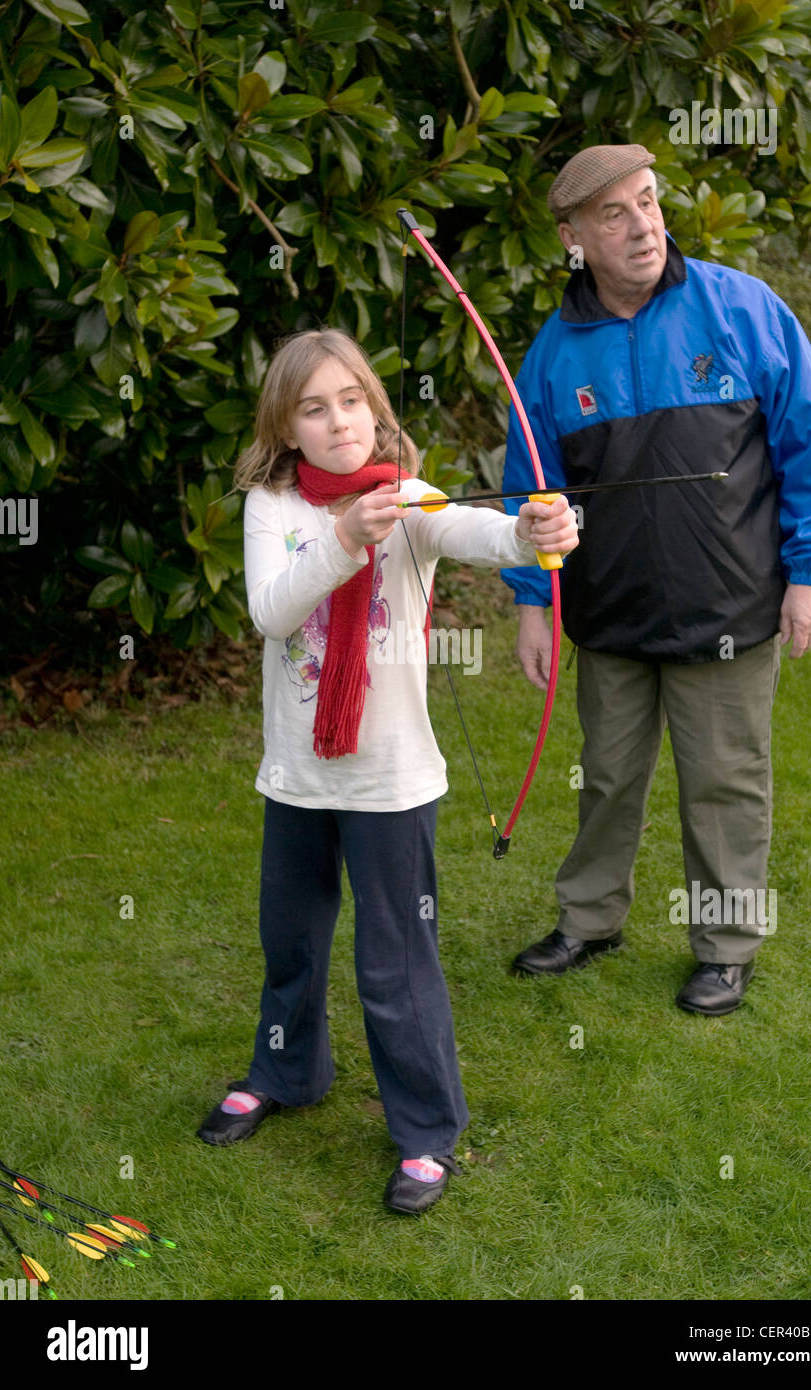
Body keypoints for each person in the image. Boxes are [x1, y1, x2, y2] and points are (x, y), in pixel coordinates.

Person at [195, 327, 578, 1212]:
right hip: (296, 776)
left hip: (391, 784)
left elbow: (492, 534)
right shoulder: (271, 506)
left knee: (394, 960)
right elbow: (271, 612)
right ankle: (285, 1073)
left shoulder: (409, 497)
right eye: (314, 408)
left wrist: (540, 527)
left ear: (374, 406)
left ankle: (423, 1132)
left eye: (352, 400)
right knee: (290, 941)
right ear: (287, 429)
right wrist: (340, 536)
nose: (338, 423)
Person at [502, 144, 811, 1014]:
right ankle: (590, 920)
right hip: (607, 609)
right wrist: (532, 605)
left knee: (724, 779)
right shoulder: (550, 355)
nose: (642, 225)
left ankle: (725, 944)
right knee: (607, 776)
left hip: (728, 606)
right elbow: (530, 491)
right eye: (613, 214)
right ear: (573, 237)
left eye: (648, 202)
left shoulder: (744, 310)